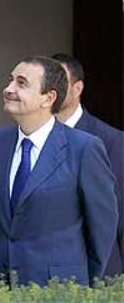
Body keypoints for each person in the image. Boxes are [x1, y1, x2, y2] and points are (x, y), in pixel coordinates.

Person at [0, 56, 118, 287]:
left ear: (48, 98)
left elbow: (103, 227)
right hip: (3, 286)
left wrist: (83, 285)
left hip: (60, 289)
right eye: (10, 80)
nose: (8, 89)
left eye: (21, 83)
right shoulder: (0, 141)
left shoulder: (84, 147)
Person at [53, 52, 124, 276]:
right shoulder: (28, 138)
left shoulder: (110, 140)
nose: (52, 89)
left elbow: (117, 212)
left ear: (78, 88)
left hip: (95, 275)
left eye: (60, 81)